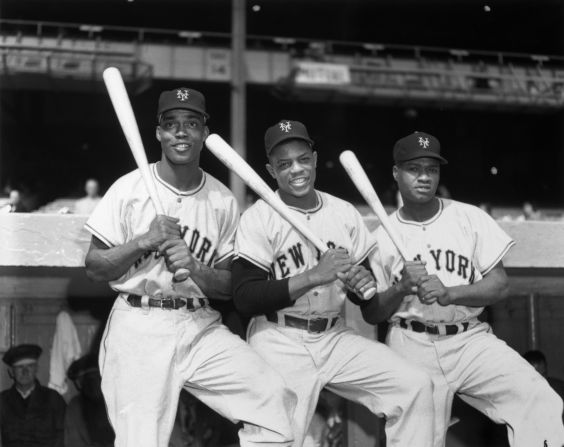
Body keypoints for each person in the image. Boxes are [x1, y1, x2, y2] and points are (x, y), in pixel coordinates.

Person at [83, 88, 296, 447]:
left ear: (203, 133)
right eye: (171, 124)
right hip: (140, 324)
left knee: (271, 397)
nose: (181, 132)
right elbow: (94, 266)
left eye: (191, 124)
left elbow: (230, 287)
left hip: (199, 324)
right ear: (159, 134)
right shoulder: (129, 188)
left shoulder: (221, 199)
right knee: (140, 440)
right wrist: (143, 241)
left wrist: (196, 267)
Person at [233, 120, 434, 447]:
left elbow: (371, 311)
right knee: (275, 437)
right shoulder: (258, 217)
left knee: (415, 386)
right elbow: (244, 297)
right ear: (271, 171)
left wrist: (393, 287)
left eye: (302, 159)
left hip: (334, 336)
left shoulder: (343, 214)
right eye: (284, 164)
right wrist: (313, 275)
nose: (296, 169)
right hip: (278, 338)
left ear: (314, 159)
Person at [363, 131, 564, 447]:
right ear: (396, 173)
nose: (424, 177)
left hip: (471, 340)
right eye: (414, 169)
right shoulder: (379, 239)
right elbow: (373, 312)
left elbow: (499, 285)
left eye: (432, 169)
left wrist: (451, 292)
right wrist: (402, 286)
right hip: (411, 343)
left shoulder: (469, 218)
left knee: (540, 401)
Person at [0, 344, 66, 447]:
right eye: (19, 367)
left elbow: (63, 436)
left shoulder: (53, 399)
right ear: (11, 372)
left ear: (36, 369)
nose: (25, 372)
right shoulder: (2, 401)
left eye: (30, 366)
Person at [64, 354, 114, 447]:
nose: (93, 384)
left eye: (96, 378)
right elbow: (74, 442)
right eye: (87, 380)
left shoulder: (117, 402)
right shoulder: (75, 407)